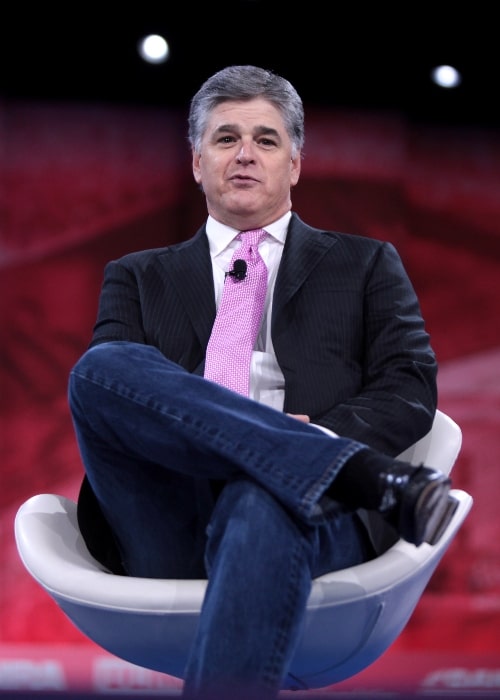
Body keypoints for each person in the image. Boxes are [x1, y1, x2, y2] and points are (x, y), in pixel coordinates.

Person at [68, 65, 455, 700]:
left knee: (265, 495)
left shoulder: (365, 264)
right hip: (168, 512)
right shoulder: (137, 275)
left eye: (266, 140)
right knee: (100, 367)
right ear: (197, 162)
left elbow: (410, 385)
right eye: (225, 139)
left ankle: (308, 468)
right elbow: (115, 402)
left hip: (308, 515)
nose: (245, 154)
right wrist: (303, 450)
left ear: (295, 164)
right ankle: (341, 468)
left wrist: (315, 438)